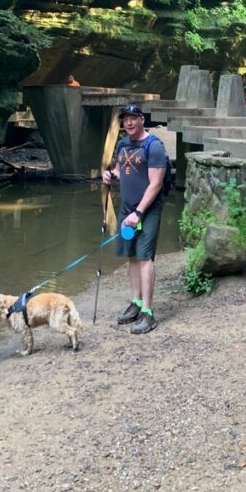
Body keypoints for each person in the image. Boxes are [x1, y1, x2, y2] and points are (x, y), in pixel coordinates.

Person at [101, 103, 167, 334]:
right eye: (125, 119)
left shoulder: (154, 146)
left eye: (133, 118)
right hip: (127, 210)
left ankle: (148, 313)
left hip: (146, 211)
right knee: (131, 256)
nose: (128, 123)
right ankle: (136, 303)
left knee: (144, 256)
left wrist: (138, 212)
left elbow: (156, 184)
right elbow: (122, 170)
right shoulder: (123, 144)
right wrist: (112, 175)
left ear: (142, 120)